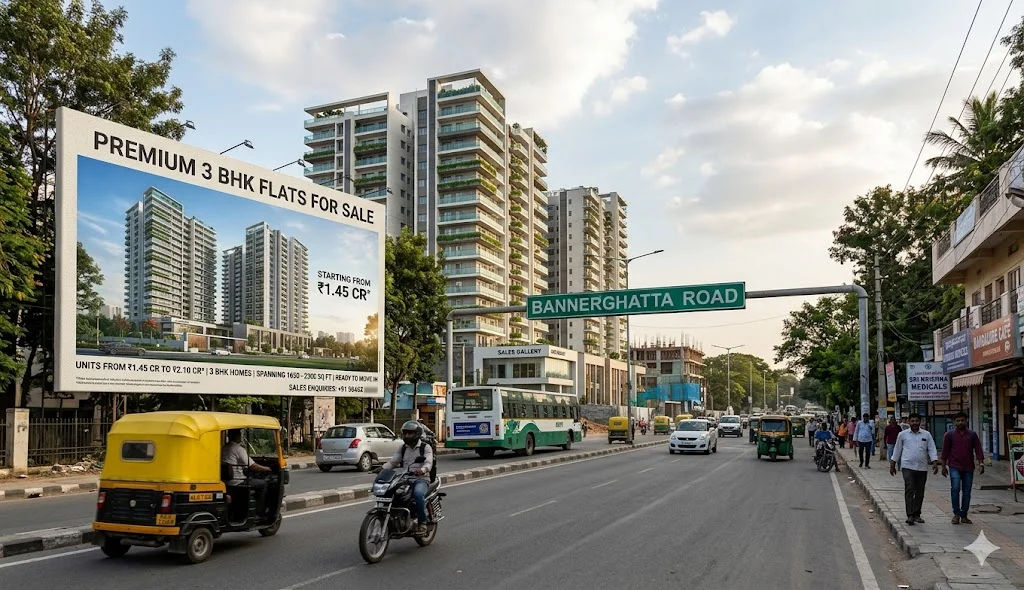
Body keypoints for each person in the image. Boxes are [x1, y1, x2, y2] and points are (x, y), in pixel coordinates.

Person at [381, 420, 435, 534]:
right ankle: (392, 519)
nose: (406, 435)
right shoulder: (403, 448)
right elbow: (393, 462)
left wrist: (422, 470)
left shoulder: (425, 447)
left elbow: (428, 463)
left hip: (421, 479)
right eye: (405, 433)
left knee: (418, 494)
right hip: (405, 479)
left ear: (417, 434)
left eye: (409, 433)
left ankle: (422, 522)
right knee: (389, 492)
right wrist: (382, 468)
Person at [889, 413, 939, 526]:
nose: (915, 423)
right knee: (910, 488)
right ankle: (910, 515)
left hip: (922, 467)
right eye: (912, 421)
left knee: (920, 491)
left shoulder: (926, 435)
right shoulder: (902, 435)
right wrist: (893, 463)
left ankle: (917, 514)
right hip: (907, 466)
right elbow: (897, 450)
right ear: (909, 422)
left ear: (920, 422)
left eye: (917, 421)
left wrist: (935, 462)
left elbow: (932, 449)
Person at [940, 411, 985, 524]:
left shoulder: (972, 435)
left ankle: (964, 514)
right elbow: (945, 451)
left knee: (967, 491)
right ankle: (956, 514)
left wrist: (981, 463)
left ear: (966, 421)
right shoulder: (949, 435)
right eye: (958, 420)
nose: (960, 422)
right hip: (954, 465)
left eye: (962, 420)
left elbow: (978, 449)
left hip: (968, 467)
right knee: (955, 488)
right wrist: (943, 466)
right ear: (954, 422)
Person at [221, 429, 271, 515]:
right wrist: (267, 469)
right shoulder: (238, 449)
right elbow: (253, 466)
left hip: (225, 481)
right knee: (263, 484)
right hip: (237, 482)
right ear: (237, 436)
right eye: (240, 435)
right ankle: (260, 511)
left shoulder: (224, 448)